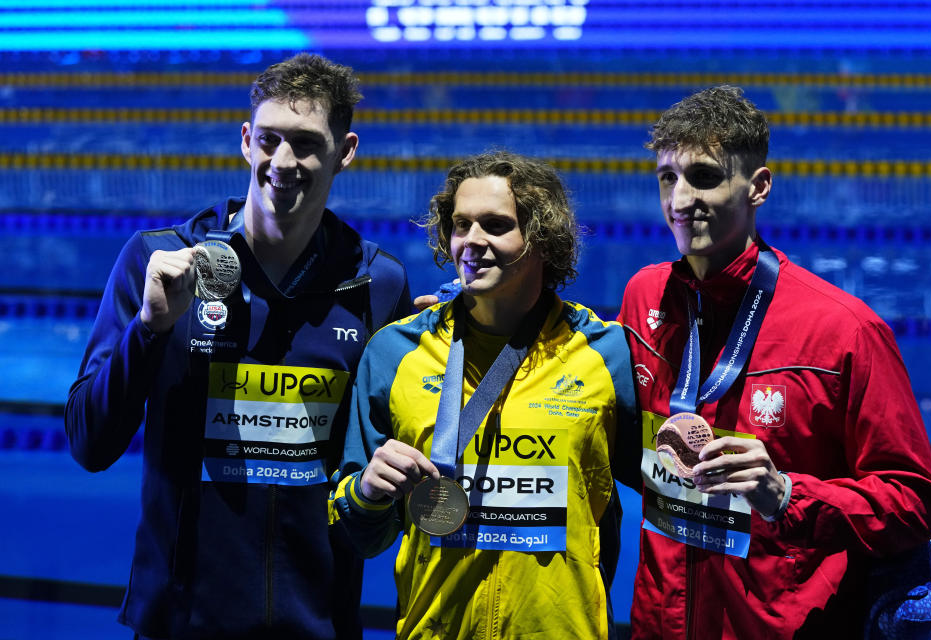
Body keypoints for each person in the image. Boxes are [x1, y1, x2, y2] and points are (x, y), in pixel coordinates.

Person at [64, 53, 412, 639]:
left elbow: (382, 468)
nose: (283, 161)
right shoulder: (158, 262)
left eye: (305, 143)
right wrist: (149, 330)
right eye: (270, 139)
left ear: (345, 151)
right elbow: (89, 442)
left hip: (319, 624)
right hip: (180, 623)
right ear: (246, 141)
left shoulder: (378, 285)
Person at [616, 86, 931, 639]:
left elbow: (915, 498)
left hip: (782, 627)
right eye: (667, 177)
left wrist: (789, 495)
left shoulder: (843, 331)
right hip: (661, 624)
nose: (678, 199)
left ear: (758, 187)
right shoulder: (644, 298)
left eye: (703, 176)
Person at [332, 151, 636, 639]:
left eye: (496, 225)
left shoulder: (606, 354)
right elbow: (360, 534)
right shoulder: (396, 352)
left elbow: (650, 493)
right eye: (460, 225)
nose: (472, 241)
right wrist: (367, 492)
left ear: (543, 237)